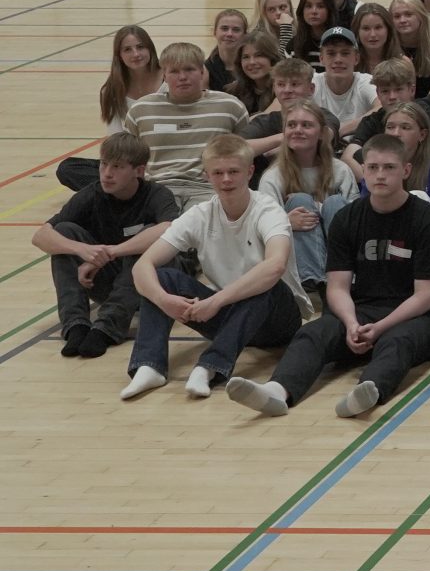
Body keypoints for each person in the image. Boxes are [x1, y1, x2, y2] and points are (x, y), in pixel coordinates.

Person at [227, 133, 430, 420]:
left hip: (419, 317)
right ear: (363, 170)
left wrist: (379, 328)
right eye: (373, 167)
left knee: (397, 341)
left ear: (406, 171)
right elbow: (337, 287)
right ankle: (277, 391)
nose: (380, 175)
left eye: (389, 167)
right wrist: (350, 323)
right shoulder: (347, 219)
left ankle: (368, 391)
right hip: (362, 310)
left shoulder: (428, 220)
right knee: (313, 332)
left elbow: (425, 296)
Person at [121, 135, 302, 400]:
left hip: (277, 319)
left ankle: (209, 366)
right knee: (162, 277)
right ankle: (150, 366)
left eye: (233, 172)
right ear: (206, 176)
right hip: (226, 312)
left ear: (249, 172)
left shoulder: (267, 210)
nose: (226, 179)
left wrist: (215, 301)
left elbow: (275, 266)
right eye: (218, 173)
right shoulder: (200, 214)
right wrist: (164, 300)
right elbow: (142, 266)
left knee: (268, 284)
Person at [35, 132, 178, 359]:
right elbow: (41, 235)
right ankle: (75, 325)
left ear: (139, 171)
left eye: (117, 167)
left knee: (148, 237)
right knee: (64, 232)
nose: (107, 173)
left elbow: (169, 229)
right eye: (103, 164)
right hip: (107, 278)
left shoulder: (157, 194)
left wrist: (111, 252)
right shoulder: (91, 194)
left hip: (152, 285)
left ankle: (107, 328)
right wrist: (82, 250)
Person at [122, 41, 250, 209]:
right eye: (174, 71)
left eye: (189, 69)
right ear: (164, 75)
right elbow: (127, 157)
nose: (182, 77)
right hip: (157, 190)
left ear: (202, 72)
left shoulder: (230, 107)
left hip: (209, 189)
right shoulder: (140, 110)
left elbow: (246, 151)